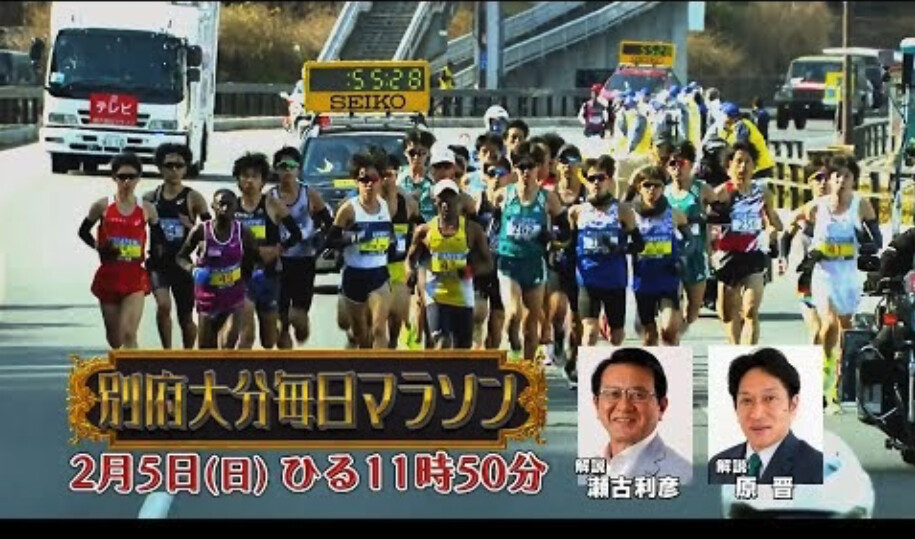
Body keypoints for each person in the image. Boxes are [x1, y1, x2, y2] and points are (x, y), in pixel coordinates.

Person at [789, 155, 880, 413]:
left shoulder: (861, 205)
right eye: (836, 176)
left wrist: (867, 243)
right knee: (828, 323)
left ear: (853, 180)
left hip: (848, 274)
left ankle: (837, 386)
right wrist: (799, 254)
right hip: (824, 273)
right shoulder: (816, 207)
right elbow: (794, 225)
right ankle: (819, 378)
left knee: (846, 331)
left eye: (846, 176)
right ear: (829, 179)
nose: (841, 181)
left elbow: (877, 240)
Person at [78, 152, 163, 349]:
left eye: (131, 177)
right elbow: (83, 232)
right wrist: (99, 247)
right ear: (114, 178)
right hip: (109, 275)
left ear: (139, 178)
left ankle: (133, 369)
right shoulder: (102, 206)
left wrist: (156, 261)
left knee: (129, 334)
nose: (127, 182)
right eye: (122, 177)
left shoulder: (147, 209)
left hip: (134, 277)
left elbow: (159, 240)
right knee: (115, 340)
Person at [492, 141, 567, 361]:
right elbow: (492, 229)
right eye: (521, 167)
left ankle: (527, 369)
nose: (526, 171)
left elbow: (565, 232)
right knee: (514, 313)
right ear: (515, 168)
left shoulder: (548, 198)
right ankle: (512, 342)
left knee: (531, 322)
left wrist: (552, 238)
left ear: (538, 168)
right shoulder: (502, 195)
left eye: (530, 166)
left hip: (534, 263)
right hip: (508, 262)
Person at [708, 347, 824, 485]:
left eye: (770, 398)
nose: (757, 414)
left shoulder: (818, 470)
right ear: (735, 408)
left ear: (792, 405)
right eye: (747, 401)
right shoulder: (717, 466)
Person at [709, 142, 783, 345]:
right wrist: (710, 247)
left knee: (750, 310)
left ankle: (748, 353)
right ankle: (735, 350)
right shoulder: (721, 193)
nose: (743, 167)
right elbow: (708, 224)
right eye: (738, 162)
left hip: (754, 255)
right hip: (727, 256)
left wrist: (773, 231)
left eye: (747, 162)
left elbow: (774, 221)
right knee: (727, 313)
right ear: (729, 166)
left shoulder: (763, 192)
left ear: (754, 166)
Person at [406, 180, 493, 349]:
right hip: (436, 295)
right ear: (435, 201)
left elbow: (488, 263)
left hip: (462, 297)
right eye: (442, 199)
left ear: (458, 200)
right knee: (442, 342)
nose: (446, 204)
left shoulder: (472, 230)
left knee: (462, 350)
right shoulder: (424, 231)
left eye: (450, 198)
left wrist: (469, 271)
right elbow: (410, 259)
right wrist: (410, 272)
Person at [233, 152, 303, 350]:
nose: (249, 181)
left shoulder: (272, 204)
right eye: (245, 176)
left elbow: (296, 234)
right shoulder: (231, 207)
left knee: (269, 340)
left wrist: (277, 249)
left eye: (254, 176)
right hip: (241, 276)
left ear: (263, 181)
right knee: (246, 335)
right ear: (238, 180)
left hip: (269, 276)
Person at [590, 348, 692, 483]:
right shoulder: (585, 470)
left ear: (661, 407)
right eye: (613, 394)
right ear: (596, 405)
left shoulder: (682, 476)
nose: (624, 407)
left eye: (638, 395)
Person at [571, 156, 641, 349]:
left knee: (616, 337)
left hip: (614, 281)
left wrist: (620, 248)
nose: (596, 182)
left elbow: (639, 244)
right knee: (589, 332)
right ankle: (587, 368)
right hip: (588, 280)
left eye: (601, 178)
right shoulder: (577, 212)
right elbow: (570, 244)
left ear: (609, 180)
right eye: (591, 178)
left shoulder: (622, 210)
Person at [143, 143, 209, 350]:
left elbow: (211, 230)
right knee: (163, 306)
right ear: (160, 168)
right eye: (169, 165)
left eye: (179, 165)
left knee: (185, 317)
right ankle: (167, 352)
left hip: (182, 264)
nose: (174, 170)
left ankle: (187, 354)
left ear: (186, 168)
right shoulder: (149, 198)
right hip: (158, 263)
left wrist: (191, 227)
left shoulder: (193, 197)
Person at [326, 152, 395, 349]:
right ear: (356, 181)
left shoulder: (386, 206)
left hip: (379, 275)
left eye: (373, 179)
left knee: (379, 329)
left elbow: (389, 235)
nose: (369, 184)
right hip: (354, 275)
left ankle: (380, 365)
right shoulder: (348, 209)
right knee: (361, 334)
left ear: (380, 181)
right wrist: (353, 238)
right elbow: (331, 240)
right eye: (364, 179)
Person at [176, 189, 260, 349]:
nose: (225, 208)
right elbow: (180, 257)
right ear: (213, 206)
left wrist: (244, 282)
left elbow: (252, 260)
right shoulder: (201, 231)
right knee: (206, 351)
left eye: (229, 205)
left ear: (236, 207)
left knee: (228, 343)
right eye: (221, 204)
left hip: (233, 298)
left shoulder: (244, 233)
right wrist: (193, 270)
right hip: (207, 299)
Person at [270, 147, 333, 349]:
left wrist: (322, 244)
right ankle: (285, 359)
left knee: (299, 318)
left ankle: (299, 324)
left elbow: (329, 224)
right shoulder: (270, 197)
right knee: (280, 320)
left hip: (304, 261)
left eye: (292, 166)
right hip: (278, 262)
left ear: (299, 169)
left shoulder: (309, 194)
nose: (288, 170)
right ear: (276, 169)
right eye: (283, 166)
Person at [631, 165, 694, 346]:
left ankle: (672, 360)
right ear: (639, 188)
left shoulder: (674, 214)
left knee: (669, 330)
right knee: (649, 335)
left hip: (668, 277)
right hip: (643, 280)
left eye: (657, 185)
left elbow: (691, 241)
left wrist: (683, 257)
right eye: (647, 185)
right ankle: (650, 362)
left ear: (663, 188)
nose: (652, 189)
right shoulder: (631, 215)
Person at [664, 141, 716, 334]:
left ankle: (677, 333)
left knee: (693, 311)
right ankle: (672, 338)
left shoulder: (702, 189)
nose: (677, 168)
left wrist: (713, 242)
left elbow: (720, 214)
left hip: (696, 256)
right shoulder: (663, 192)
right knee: (672, 307)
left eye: (681, 163)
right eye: (672, 164)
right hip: (671, 256)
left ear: (692, 164)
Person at [778, 161, 831, 345]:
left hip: (833, 277)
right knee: (816, 330)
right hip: (806, 278)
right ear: (810, 183)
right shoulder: (801, 213)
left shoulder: (842, 213)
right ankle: (815, 361)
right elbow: (785, 237)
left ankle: (831, 362)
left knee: (831, 330)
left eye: (826, 178)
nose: (823, 183)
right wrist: (783, 258)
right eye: (818, 178)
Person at [380, 153, 420, 349]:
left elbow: (420, 230)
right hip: (374, 265)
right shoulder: (367, 201)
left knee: (396, 317)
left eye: (390, 174)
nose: (386, 179)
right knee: (376, 319)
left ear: (397, 174)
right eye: (382, 175)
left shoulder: (408, 202)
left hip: (398, 265)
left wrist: (413, 260)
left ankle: (393, 346)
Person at [708, 103, 776, 179]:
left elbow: (741, 148)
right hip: (755, 168)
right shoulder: (731, 129)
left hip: (758, 169)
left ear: (729, 116)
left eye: (722, 116)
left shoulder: (741, 126)